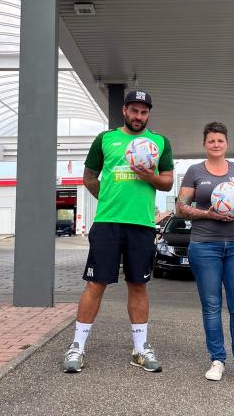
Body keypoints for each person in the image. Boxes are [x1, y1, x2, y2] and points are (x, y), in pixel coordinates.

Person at [63, 90, 174, 373]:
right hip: (108, 223)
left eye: (144, 112)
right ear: (124, 110)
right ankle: (77, 346)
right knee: (96, 283)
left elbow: (168, 183)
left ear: (148, 114)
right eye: (134, 110)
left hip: (142, 224)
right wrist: (110, 199)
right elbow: (89, 178)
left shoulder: (160, 142)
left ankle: (140, 348)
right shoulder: (105, 139)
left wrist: (150, 176)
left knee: (138, 284)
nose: (139, 116)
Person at [176, 121, 234, 385]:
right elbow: (181, 207)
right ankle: (217, 360)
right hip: (204, 246)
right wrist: (208, 214)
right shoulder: (194, 171)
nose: (216, 144)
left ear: (226, 143)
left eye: (220, 141)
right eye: (211, 141)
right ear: (205, 144)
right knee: (211, 305)